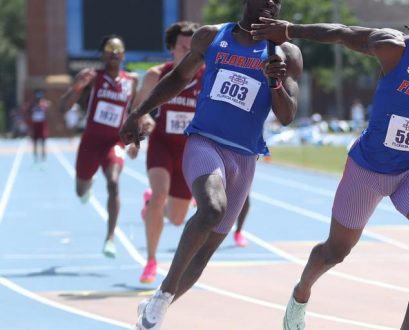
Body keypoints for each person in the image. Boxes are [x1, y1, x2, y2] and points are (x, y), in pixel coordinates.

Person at [251, 0, 409, 328]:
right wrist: (291, 30)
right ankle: (301, 292)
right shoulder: (395, 49)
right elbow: (342, 33)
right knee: (335, 251)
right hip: (368, 169)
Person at [119, 0, 302, 328]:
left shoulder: (287, 54)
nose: (272, 3)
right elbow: (177, 79)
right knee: (212, 208)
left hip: (244, 157)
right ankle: (163, 296)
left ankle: (157, 303)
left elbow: (287, 116)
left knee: (204, 253)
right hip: (204, 142)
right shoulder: (212, 37)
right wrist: (139, 112)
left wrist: (274, 83)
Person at [128, 21, 204, 284]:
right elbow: (139, 112)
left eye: (193, 47)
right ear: (171, 48)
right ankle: (150, 261)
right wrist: (142, 128)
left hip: (188, 150)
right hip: (162, 145)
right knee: (161, 194)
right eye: (183, 47)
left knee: (177, 218)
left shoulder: (208, 75)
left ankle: (150, 203)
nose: (188, 51)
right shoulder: (156, 75)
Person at [59, 35, 138, 258]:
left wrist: (136, 139)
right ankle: (87, 183)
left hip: (115, 141)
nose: (114, 53)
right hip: (91, 142)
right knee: (80, 190)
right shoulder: (93, 78)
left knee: (113, 183)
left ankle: (110, 238)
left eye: (118, 49)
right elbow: (63, 107)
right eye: (109, 49)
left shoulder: (131, 81)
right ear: (102, 54)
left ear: (123, 54)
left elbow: (137, 111)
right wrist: (77, 86)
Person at [26, 89, 51, 166]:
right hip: (35, 126)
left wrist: (45, 105)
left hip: (42, 125)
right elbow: (28, 114)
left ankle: (43, 160)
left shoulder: (44, 104)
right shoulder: (32, 105)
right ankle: (35, 160)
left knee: (43, 143)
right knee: (35, 144)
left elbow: (48, 113)